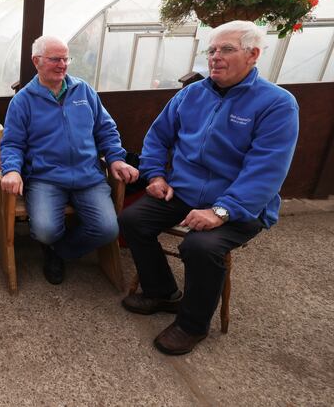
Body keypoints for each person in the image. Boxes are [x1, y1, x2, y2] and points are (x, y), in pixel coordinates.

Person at [119, 20, 299, 355]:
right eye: (212, 50)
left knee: (200, 248)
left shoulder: (277, 104)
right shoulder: (191, 94)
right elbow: (158, 137)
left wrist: (221, 211)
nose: (215, 57)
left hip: (241, 206)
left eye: (226, 49)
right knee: (132, 219)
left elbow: (267, 170)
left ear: (253, 54)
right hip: (184, 191)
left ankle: (192, 324)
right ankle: (163, 292)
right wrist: (156, 176)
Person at [0, 35, 139, 285]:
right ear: (37, 61)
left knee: (108, 229)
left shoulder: (83, 90)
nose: (62, 65)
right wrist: (11, 170)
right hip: (46, 179)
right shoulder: (23, 100)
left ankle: (58, 252)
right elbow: (12, 143)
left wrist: (116, 159)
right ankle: (51, 244)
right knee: (44, 230)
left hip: (88, 176)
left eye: (66, 59)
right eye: (55, 59)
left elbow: (105, 129)